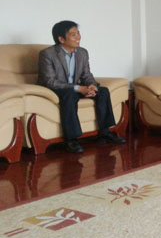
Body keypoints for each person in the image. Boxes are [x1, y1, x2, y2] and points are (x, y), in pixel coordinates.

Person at [38, 20, 126, 153]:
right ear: (61, 39)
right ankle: (71, 140)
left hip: (76, 88)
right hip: (57, 89)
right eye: (73, 34)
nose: (78, 37)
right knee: (70, 95)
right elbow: (49, 81)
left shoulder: (82, 52)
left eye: (78, 33)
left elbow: (86, 75)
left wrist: (92, 86)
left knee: (103, 91)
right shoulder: (48, 54)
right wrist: (78, 88)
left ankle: (105, 133)